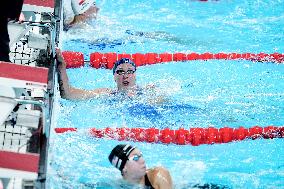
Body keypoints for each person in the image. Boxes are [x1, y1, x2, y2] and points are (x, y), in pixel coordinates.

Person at [56, 48, 163, 101]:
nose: (125, 75)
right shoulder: (106, 93)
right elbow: (69, 94)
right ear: (115, 77)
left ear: (135, 75)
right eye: (120, 71)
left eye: (130, 71)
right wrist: (62, 67)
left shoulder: (148, 91)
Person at [108, 144, 173, 189]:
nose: (143, 160)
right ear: (124, 167)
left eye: (141, 155)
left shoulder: (159, 175)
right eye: (135, 158)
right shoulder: (117, 185)